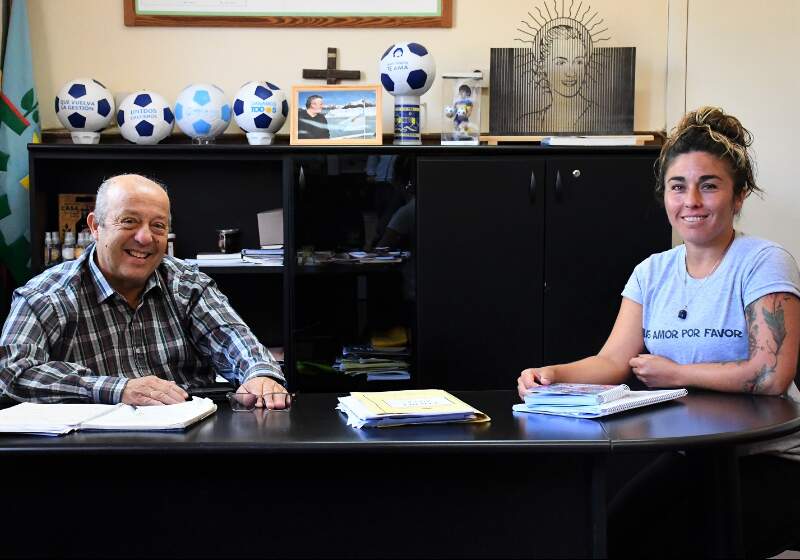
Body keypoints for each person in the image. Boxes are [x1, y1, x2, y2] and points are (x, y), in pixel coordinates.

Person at [517, 106, 800, 557]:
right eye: (678, 186)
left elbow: (770, 377)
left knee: (682, 546)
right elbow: (612, 362)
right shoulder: (652, 272)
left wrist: (677, 373)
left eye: (709, 186)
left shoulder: (763, 261)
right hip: (692, 455)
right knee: (610, 538)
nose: (691, 201)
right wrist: (553, 372)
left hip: (771, 462)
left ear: (739, 195)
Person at [0, 174, 287, 408]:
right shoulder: (46, 295)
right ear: (95, 226)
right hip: (86, 456)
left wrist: (260, 375)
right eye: (129, 221)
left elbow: (234, 341)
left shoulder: (186, 284)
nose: (145, 238)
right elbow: (11, 373)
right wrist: (116, 389)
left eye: (158, 226)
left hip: (189, 446)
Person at [523, 18, 597, 132]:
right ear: (543, 67)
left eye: (578, 62)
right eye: (561, 62)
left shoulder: (599, 116)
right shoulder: (528, 121)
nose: (571, 73)